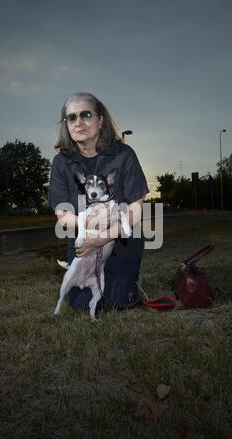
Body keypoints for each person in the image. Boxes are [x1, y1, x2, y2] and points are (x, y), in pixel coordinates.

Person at [48, 92, 149, 314]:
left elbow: (135, 208)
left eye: (86, 115)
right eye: (71, 118)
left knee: (118, 302)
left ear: (100, 120)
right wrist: (90, 230)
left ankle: (129, 276)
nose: (78, 122)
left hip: (121, 244)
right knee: (82, 305)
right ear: (66, 125)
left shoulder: (124, 155)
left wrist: (103, 236)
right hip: (85, 247)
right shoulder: (61, 163)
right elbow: (62, 215)